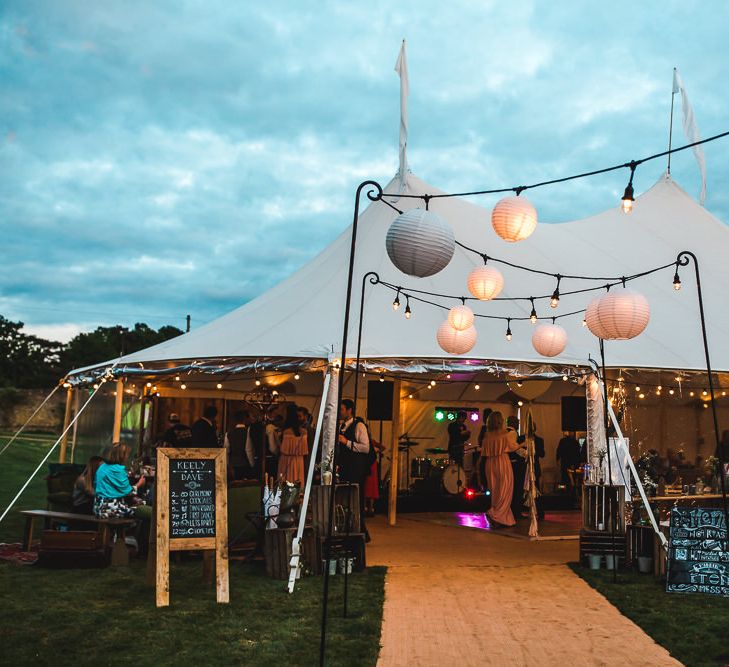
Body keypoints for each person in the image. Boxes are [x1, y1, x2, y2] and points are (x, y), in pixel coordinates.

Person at [338, 398, 372, 541]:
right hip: (345, 467)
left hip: (356, 468)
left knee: (356, 500)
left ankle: (362, 532)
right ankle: (348, 529)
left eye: (342, 409)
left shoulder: (359, 426)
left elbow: (366, 448)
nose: (340, 412)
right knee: (345, 500)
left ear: (349, 410)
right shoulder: (341, 426)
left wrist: (347, 443)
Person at [481, 411, 522, 527]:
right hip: (502, 461)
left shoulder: (487, 435)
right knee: (505, 490)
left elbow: (483, 452)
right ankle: (496, 514)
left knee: (495, 491)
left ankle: (500, 517)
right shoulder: (504, 434)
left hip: (490, 463)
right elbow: (512, 447)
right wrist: (524, 443)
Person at [94, 444, 145, 518]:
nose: (127, 457)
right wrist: (140, 483)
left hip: (98, 508)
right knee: (146, 512)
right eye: (127, 455)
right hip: (111, 509)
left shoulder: (102, 467)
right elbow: (128, 492)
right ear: (122, 456)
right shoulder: (119, 470)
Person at [517, 422, 545, 520]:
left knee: (536, 490)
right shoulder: (520, 439)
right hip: (523, 468)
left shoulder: (539, 440)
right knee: (521, 489)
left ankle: (540, 512)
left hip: (534, 468)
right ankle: (518, 512)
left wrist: (533, 450)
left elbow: (542, 454)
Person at [278, 403, 309, 484]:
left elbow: (282, 449)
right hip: (299, 461)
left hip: (286, 461)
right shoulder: (304, 432)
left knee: (286, 484)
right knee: (297, 484)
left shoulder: (286, 432)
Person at [507, 415, 527, 519]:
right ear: (513, 423)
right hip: (514, 464)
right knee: (517, 488)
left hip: (508, 463)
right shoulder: (513, 432)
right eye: (517, 422)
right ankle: (516, 512)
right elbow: (513, 447)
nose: (518, 424)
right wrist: (525, 448)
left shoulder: (505, 432)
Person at [224, 410, 251, 480]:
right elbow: (249, 450)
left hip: (233, 463)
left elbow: (226, 450)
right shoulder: (248, 432)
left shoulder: (229, 433)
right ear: (245, 419)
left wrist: (227, 464)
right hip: (245, 462)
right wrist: (252, 463)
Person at [364, 437, 385, 516]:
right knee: (368, 487)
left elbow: (383, 447)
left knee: (371, 487)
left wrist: (377, 450)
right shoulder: (369, 441)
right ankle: (368, 508)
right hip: (368, 464)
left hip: (371, 465)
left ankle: (369, 508)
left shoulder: (372, 441)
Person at [476, 408, 493, 489]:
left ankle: (485, 487)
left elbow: (480, 441)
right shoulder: (487, 428)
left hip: (488, 454)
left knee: (483, 470)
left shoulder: (486, 429)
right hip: (489, 454)